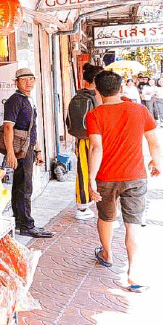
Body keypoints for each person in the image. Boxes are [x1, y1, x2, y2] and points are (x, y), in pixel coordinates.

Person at [86, 69, 161, 291]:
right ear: (121, 88)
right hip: (136, 176)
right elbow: (153, 142)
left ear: (97, 90)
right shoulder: (139, 110)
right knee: (133, 225)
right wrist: (156, 162)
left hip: (106, 176)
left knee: (107, 217)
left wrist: (90, 178)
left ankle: (107, 254)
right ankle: (133, 274)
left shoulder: (95, 115)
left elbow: (96, 147)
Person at [2, 67, 51, 238]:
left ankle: (20, 222)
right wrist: (10, 153)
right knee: (24, 186)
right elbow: (8, 127)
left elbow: (32, 128)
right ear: (16, 83)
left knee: (21, 184)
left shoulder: (28, 100)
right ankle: (26, 225)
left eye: (31, 79)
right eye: (24, 79)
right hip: (19, 150)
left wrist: (37, 150)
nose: (29, 82)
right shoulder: (15, 100)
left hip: (28, 148)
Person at [66, 63, 103, 220]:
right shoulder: (96, 97)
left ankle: (83, 205)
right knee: (95, 171)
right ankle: (88, 205)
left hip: (81, 140)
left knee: (83, 171)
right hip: (95, 140)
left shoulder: (78, 96)